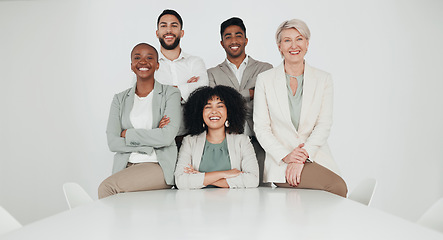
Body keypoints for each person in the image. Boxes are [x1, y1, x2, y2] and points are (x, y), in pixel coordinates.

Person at [253, 19, 347, 197]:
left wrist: (302, 156)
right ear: (279, 46)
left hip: (314, 155)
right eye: (287, 40)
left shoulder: (323, 79)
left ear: (307, 44)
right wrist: (287, 157)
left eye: (299, 39)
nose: (293, 45)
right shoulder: (265, 80)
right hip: (281, 163)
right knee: (337, 188)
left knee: (334, 191)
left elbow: (324, 124)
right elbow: (261, 128)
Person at [98, 43, 181, 199]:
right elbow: (113, 142)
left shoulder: (170, 93)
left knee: (107, 188)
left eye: (149, 58)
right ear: (131, 65)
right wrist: (152, 137)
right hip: (125, 165)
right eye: (137, 58)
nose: (143, 62)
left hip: (158, 165)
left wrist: (128, 134)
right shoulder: (119, 99)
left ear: (157, 65)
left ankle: (111, 225)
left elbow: (166, 137)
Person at [207, 17, 272, 185]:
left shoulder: (265, 69)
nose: (233, 40)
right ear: (222, 43)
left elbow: (268, 100)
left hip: (258, 141)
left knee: (260, 190)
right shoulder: (212, 73)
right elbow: (215, 104)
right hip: (226, 144)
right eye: (228, 36)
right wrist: (250, 93)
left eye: (238, 35)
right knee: (225, 191)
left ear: (246, 40)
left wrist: (229, 98)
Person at [175, 86, 259, 189]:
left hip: (233, 202)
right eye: (208, 107)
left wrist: (202, 177)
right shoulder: (189, 142)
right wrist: (225, 174)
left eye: (220, 106)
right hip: (198, 202)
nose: (214, 111)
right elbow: (181, 181)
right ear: (200, 113)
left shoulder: (242, 141)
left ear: (229, 112)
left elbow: (252, 180)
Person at [155, 9, 209, 141]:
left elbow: (202, 90)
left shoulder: (195, 62)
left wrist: (162, 92)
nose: (168, 30)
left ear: (181, 32)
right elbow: (141, 96)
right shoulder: (148, 65)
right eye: (163, 26)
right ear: (157, 33)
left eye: (174, 26)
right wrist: (185, 88)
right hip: (157, 136)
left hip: (191, 137)